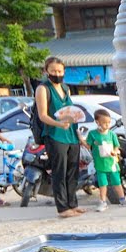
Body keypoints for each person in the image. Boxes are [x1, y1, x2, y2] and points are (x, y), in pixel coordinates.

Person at [34, 56, 84, 218]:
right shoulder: (43, 89)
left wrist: (79, 136)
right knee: (59, 171)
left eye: (60, 71)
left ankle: (73, 204)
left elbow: (71, 112)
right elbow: (43, 115)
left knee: (73, 171)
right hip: (54, 135)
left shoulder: (66, 88)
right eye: (54, 71)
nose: (57, 74)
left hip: (71, 135)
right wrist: (58, 124)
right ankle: (62, 208)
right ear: (46, 71)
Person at [84, 109, 126, 212]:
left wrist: (114, 152)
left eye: (108, 122)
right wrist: (82, 141)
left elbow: (117, 147)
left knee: (117, 182)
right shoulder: (93, 134)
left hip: (112, 163)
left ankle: (122, 199)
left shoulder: (112, 134)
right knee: (103, 184)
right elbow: (88, 145)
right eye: (104, 123)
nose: (107, 125)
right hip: (100, 164)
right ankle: (102, 201)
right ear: (97, 122)